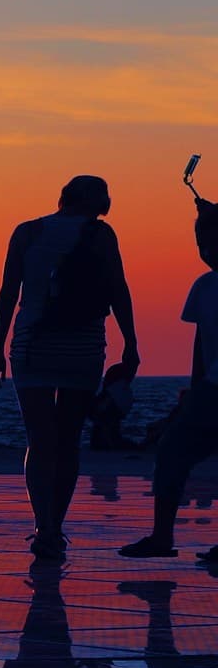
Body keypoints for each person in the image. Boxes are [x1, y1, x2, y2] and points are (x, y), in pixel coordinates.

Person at [0, 176, 139, 558]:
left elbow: (9, 291)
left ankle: (42, 526)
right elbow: (118, 289)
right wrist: (131, 341)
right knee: (68, 441)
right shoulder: (102, 235)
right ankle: (56, 527)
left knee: (39, 441)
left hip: (33, 344)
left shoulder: (27, 232)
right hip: (83, 347)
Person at [122, 199, 218, 559]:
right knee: (172, 451)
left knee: (175, 451)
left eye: (211, 242)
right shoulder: (204, 287)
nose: (206, 251)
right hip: (212, 388)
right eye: (201, 243)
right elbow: (201, 344)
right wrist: (195, 390)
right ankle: (162, 537)